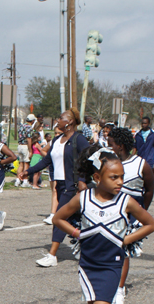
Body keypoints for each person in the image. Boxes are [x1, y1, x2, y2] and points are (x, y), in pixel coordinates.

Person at [53, 145, 154, 304]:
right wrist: (77, 233)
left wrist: (125, 241)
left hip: (112, 265)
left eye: (122, 177)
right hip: (88, 265)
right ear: (97, 177)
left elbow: (150, 224)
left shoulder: (127, 201)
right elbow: (59, 218)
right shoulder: (84, 198)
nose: (120, 182)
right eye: (114, 177)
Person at [26, 108, 90, 268]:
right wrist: (28, 171)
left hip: (73, 186)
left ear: (69, 122)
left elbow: (90, 160)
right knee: (73, 219)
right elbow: (46, 160)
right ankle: (85, 244)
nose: (57, 121)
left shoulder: (79, 140)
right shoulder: (57, 140)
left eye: (61, 118)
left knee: (58, 218)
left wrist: (82, 180)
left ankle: (52, 255)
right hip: (60, 185)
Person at [107, 127, 154, 304]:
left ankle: (119, 290)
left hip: (130, 216)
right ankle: (109, 283)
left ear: (120, 146)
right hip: (110, 212)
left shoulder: (141, 164)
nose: (109, 147)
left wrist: (142, 212)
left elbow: (149, 189)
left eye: (111, 145)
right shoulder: (109, 162)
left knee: (122, 249)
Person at [14, 114, 36, 184]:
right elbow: (29, 139)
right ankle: (25, 180)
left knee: (21, 164)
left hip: (19, 145)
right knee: (26, 164)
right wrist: (30, 150)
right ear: (32, 120)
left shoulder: (21, 126)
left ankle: (17, 180)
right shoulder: (29, 128)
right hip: (25, 146)